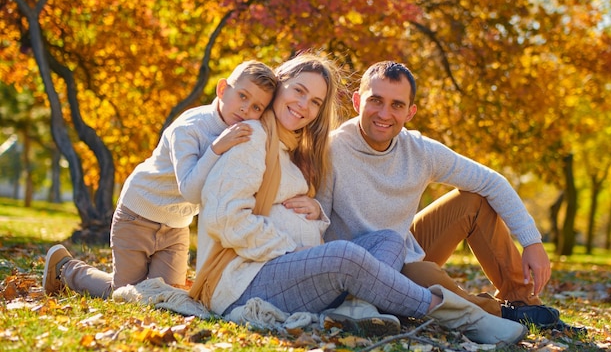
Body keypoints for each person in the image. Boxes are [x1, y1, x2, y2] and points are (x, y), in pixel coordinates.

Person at [190, 53, 528, 345]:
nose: (304, 106)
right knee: (345, 255)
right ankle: (464, 317)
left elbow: (310, 215)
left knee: (390, 238)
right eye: (298, 91)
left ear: (410, 111)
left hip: (292, 273)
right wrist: (299, 253)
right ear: (279, 87)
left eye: (316, 101)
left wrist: (315, 214)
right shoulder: (252, 139)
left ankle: (356, 307)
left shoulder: (292, 147)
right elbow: (225, 220)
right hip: (244, 282)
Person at [316, 60, 564, 329]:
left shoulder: (419, 151)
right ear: (356, 101)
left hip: (401, 250)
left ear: (410, 112)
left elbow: (492, 182)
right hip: (355, 267)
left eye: (397, 105)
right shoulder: (331, 151)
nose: (384, 114)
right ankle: (499, 314)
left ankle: (522, 302)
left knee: (473, 200)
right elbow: (316, 227)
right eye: (375, 100)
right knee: (425, 274)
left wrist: (532, 242)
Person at [43, 60, 278, 298]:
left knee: (165, 296)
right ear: (222, 90)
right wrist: (216, 149)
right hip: (138, 213)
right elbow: (190, 190)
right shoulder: (189, 128)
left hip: (176, 227)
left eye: (257, 107)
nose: (246, 109)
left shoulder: (244, 135)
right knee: (125, 294)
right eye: (242, 96)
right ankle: (65, 269)